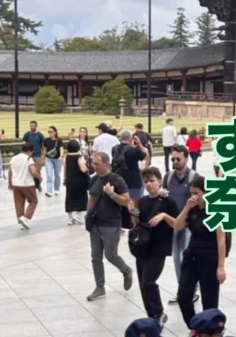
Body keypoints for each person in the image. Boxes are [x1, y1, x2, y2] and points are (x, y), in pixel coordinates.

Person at [172, 174, 227, 326]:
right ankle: (195, 328)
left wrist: (221, 266)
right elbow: (177, 225)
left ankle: (210, 332)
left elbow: (221, 239)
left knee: (209, 301)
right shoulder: (191, 208)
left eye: (197, 193)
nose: (194, 196)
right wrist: (187, 207)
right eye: (191, 193)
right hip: (192, 257)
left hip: (210, 258)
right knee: (183, 296)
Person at [131, 166, 179, 323]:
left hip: (159, 248)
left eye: (152, 181)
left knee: (148, 282)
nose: (149, 184)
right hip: (143, 247)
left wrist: (164, 216)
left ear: (159, 181)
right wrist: (133, 213)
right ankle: (151, 315)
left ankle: (159, 313)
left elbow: (178, 224)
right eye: (146, 181)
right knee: (142, 285)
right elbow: (137, 224)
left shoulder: (168, 202)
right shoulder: (142, 202)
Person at [86, 151, 133, 302]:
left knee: (111, 255)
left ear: (106, 164)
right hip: (95, 223)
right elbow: (92, 198)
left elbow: (127, 201)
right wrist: (88, 215)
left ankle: (126, 270)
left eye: (96, 164)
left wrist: (112, 194)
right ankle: (100, 287)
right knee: (95, 257)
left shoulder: (116, 180)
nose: (93, 166)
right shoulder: (93, 180)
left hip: (111, 224)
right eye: (92, 163)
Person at [164, 145, 195, 305]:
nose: (175, 162)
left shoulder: (193, 177)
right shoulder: (168, 177)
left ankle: (190, 290)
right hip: (173, 223)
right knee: (177, 259)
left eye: (178, 159)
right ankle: (183, 290)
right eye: (173, 159)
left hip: (190, 224)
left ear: (186, 158)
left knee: (186, 258)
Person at [8, 142, 40, 230]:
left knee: (19, 204)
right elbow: (33, 171)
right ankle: (25, 218)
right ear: (30, 151)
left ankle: (21, 222)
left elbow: (10, 171)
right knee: (33, 201)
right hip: (27, 183)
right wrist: (39, 177)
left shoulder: (14, 158)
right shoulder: (28, 159)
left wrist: (10, 182)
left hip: (16, 184)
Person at [111, 130, 149, 201]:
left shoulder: (114, 149)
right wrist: (140, 144)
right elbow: (146, 157)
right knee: (135, 207)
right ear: (131, 139)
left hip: (118, 181)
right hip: (133, 182)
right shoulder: (134, 150)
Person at [63, 138, 89, 224]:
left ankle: (70, 217)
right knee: (81, 198)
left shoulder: (67, 157)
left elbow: (65, 169)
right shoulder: (79, 157)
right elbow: (83, 168)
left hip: (70, 180)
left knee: (70, 198)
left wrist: (65, 179)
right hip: (79, 180)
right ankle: (78, 215)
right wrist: (87, 168)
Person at [41, 126, 63, 196]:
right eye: (49, 132)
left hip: (57, 159)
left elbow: (61, 149)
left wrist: (61, 156)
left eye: (51, 131)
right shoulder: (46, 140)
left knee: (57, 175)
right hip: (48, 159)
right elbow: (44, 150)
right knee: (49, 175)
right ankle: (49, 190)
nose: (50, 133)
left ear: (55, 132)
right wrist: (43, 159)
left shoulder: (59, 140)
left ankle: (56, 189)